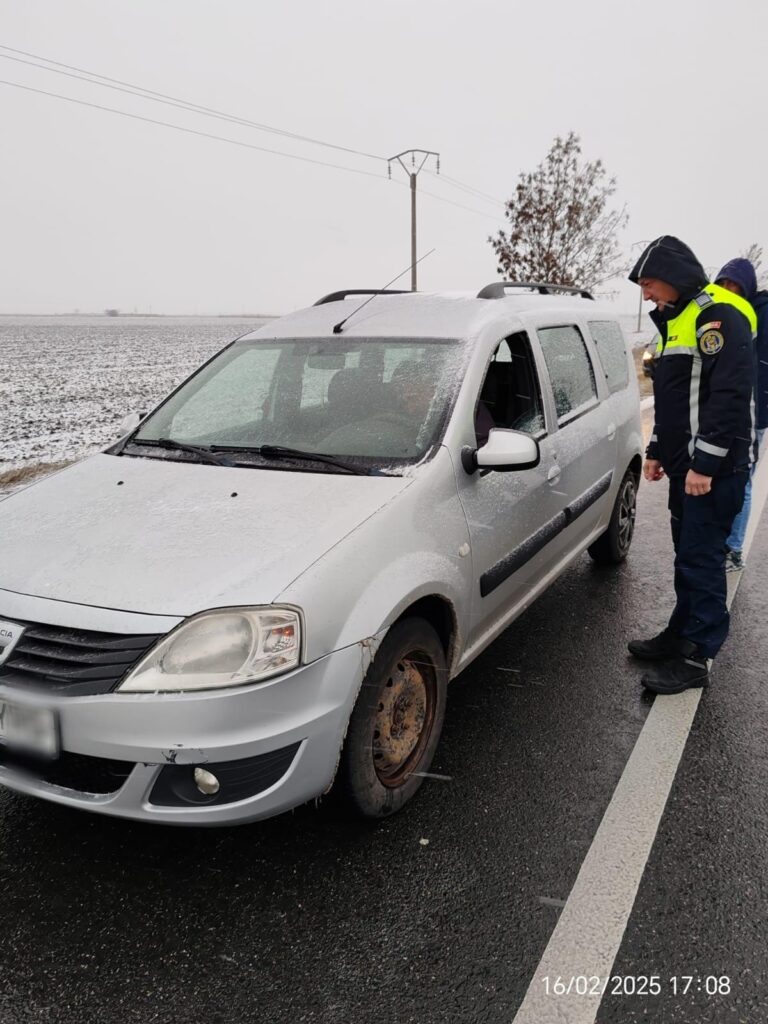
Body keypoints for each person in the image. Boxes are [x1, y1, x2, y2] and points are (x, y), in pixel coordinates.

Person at [627, 236, 757, 694]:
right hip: (686, 469)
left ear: (673, 275)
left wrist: (705, 465)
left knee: (702, 560)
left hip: (713, 472)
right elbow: (673, 400)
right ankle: (680, 633)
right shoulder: (677, 321)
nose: (646, 294)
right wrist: (657, 450)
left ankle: (697, 655)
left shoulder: (716, 318)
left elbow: (729, 397)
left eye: (649, 283)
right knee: (687, 556)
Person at [713, 258, 768, 571]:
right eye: (723, 284)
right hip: (729, 408)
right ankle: (722, 541)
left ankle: (733, 550)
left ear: (747, 286)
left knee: (742, 480)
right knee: (724, 478)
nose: (728, 289)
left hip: (755, 410)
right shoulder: (722, 313)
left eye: (733, 284)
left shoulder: (762, 313)